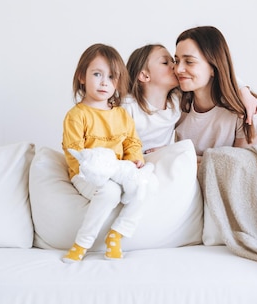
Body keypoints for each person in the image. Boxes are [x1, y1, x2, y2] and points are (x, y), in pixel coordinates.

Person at [61, 43, 145, 263]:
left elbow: (132, 142)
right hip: (87, 175)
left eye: (111, 77)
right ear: (82, 76)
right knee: (110, 192)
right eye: (97, 74)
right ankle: (82, 243)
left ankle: (117, 233)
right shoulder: (77, 115)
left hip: (117, 170)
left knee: (144, 184)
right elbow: (74, 152)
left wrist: (134, 160)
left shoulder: (122, 115)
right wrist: (100, 172)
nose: (104, 82)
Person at [122, 43, 257, 154]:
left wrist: (243, 90)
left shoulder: (175, 102)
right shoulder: (128, 106)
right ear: (144, 75)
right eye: (167, 62)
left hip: (160, 161)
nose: (176, 68)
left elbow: (221, 72)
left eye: (174, 61)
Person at [173, 26, 257, 159]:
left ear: (213, 67)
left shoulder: (247, 111)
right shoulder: (173, 101)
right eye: (176, 61)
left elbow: (241, 168)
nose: (178, 69)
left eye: (189, 62)